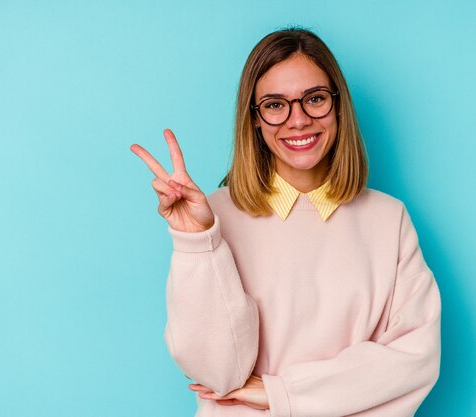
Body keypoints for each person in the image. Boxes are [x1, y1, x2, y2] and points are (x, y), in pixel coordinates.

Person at [131, 28, 441, 416]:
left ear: (338, 106)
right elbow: (218, 374)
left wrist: (285, 394)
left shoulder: (387, 219)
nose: (298, 120)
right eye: (275, 105)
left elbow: (414, 360)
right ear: (255, 119)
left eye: (314, 99)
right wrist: (198, 241)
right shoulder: (213, 216)